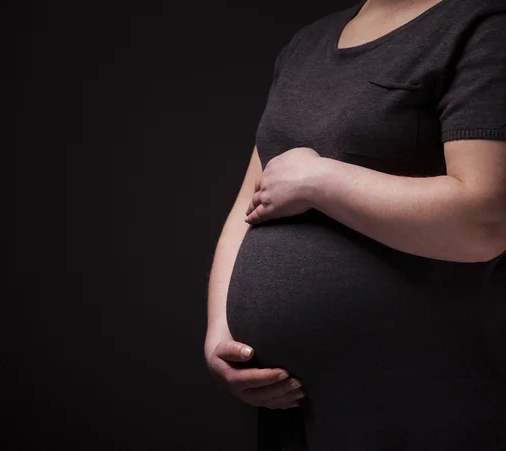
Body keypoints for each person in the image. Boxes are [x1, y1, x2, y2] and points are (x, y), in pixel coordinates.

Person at [204, 0, 506, 449]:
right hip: (294, 408)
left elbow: (484, 221)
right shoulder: (306, 45)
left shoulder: (482, 26)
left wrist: (320, 180)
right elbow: (251, 203)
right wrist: (220, 333)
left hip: (421, 395)